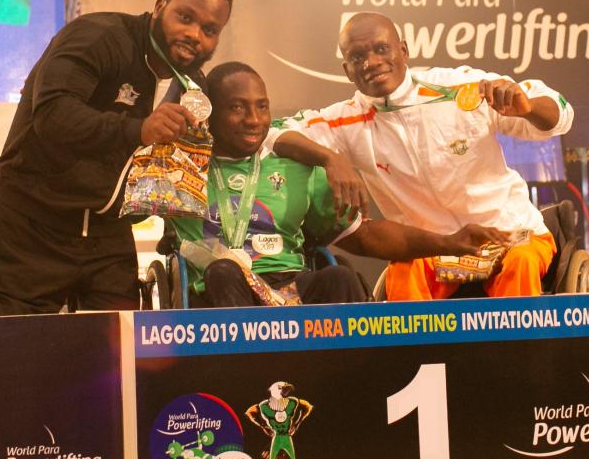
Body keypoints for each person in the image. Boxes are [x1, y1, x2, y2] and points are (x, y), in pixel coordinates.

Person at [268, 12, 574, 301]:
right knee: (401, 271)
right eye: (357, 57)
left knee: (520, 263)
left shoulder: (459, 88)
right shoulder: (345, 120)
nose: (371, 62)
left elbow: (560, 112)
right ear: (347, 70)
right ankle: (413, 358)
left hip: (510, 236)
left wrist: (529, 107)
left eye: (381, 49)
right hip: (434, 250)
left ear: (403, 50)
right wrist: (329, 158)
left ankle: (515, 355)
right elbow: (274, 133)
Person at [0, 0, 233, 316]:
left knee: (115, 357)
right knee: (18, 355)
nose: (194, 34)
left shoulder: (192, 86)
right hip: (31, 224)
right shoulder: (97, 37)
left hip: (106, 234)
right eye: (185, 17)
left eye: (209, 30)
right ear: (160, 6)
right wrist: (138, 128)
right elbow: (53, 115)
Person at [168, 62, 501, 307]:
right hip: (219, 296)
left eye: (262, 106)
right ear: (210, 113)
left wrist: (449, 243)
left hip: (290, 290)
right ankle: (250, 375)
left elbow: (365, 237)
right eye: (236, 108)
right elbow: (136, 208)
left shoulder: (295, 164)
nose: (253, 119)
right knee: (223, 271)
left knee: (339, 276)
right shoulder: (180, 166)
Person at [245, 381, 312, 459]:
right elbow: (249, 412)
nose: (285, 391)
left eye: (286, 389)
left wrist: (297, 424)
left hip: (286, 435)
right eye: (282, 389)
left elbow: (307, 406)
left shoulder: (292, 402)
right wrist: (263, 426)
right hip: (276, 436)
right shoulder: (264, 406)